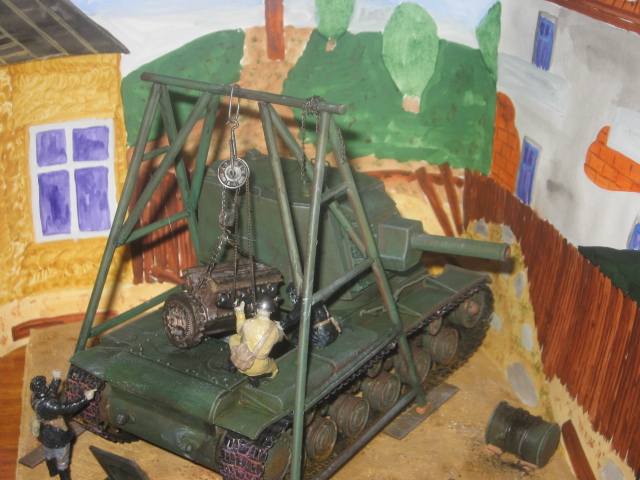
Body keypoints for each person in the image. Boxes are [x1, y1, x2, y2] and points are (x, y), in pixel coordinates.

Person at [30, 369, 96, 480]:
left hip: (45, 433)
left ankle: (52, 471)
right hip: (57, 435)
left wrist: (56, 379)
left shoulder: (35, 397)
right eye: (45, 384)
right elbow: (67, 408)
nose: (47, 384)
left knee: (49, 454)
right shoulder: (48, 404)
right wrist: (85, 398)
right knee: (62, 460)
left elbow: (50, 395)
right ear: (43, 387)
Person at [227, 297, 284, 387]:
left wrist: (240, 312)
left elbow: (239, 331)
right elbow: (280, 339)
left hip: (242, 363)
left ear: (257, 309)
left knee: (233, 338)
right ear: (270, 312)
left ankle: (232, 364)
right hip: (260, 369)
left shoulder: (249, 322)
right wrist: (280, 328)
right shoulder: (275, 330)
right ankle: (261, 378)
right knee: (275, 368)